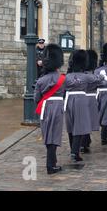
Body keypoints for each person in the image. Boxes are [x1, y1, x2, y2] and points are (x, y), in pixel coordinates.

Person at [34, 44, 65, 175]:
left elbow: (36, 98)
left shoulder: (41, 80)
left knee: (47, 134)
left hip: (45, 107)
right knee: (55, 134)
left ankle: (52, 162)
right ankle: (51, 165)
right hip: (58, 107)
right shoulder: (63, 78)